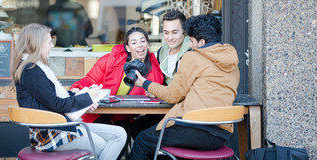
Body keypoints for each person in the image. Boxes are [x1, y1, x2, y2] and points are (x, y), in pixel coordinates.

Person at [128, 14, 240, 160]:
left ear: (202, 42)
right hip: (222, 133)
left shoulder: (193, 57)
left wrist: (144, 83)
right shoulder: (232, 62)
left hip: (195, 128)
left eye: (191, 41)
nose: (189, 45)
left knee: (142, 140)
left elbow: (172, 95)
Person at [11, 23, 126, 160]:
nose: (52, 45)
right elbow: (57, 104)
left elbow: (52, 98)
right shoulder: (31, 71)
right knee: (102, 146)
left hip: (59, 127)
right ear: (36, 45)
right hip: (53, 133)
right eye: (48, 42)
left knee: (120, 134)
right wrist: (87, 98)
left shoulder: (34, 68)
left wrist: (86, 98)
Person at [70, 27, 164, 158]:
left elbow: (156, 92)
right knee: (112, 141)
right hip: (99, 112)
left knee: (122, 140)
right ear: (127, 47)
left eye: (143, 41)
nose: (140, 46)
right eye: (134, 42)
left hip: (124, 116)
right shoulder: (110, 60)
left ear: (148, 44)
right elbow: (90, 79)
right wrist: (77, 89)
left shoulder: (154, 70)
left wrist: (153, 94)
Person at [131, 10, 190, 139]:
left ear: (184, 31)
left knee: (144, 136)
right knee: (136, 127)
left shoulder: (191, 53)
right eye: (166, 33)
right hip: (166, 107)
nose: (170, 37)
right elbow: (162, 84)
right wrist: (156, 91)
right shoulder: (162, 52)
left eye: (175, 32)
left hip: (184, 111)